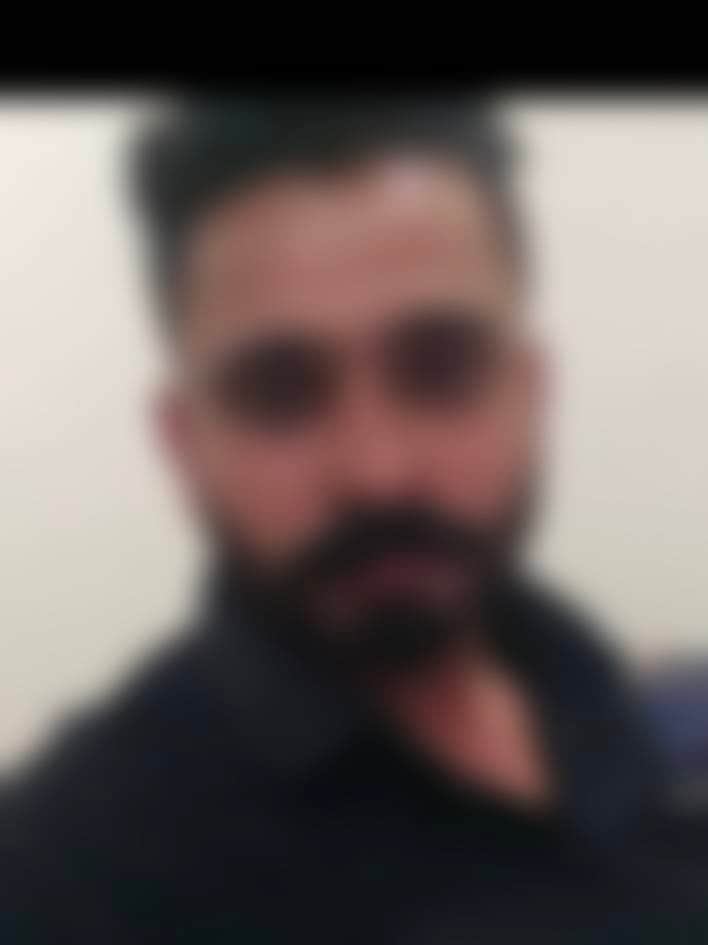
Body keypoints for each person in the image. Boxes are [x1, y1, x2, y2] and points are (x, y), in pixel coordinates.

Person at [2, 95, 707, 944]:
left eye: (442, 368)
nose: (379, 473)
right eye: (278, 391)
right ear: (185, 443)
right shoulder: (63, 873)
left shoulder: (625, 697)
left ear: (530, 391)